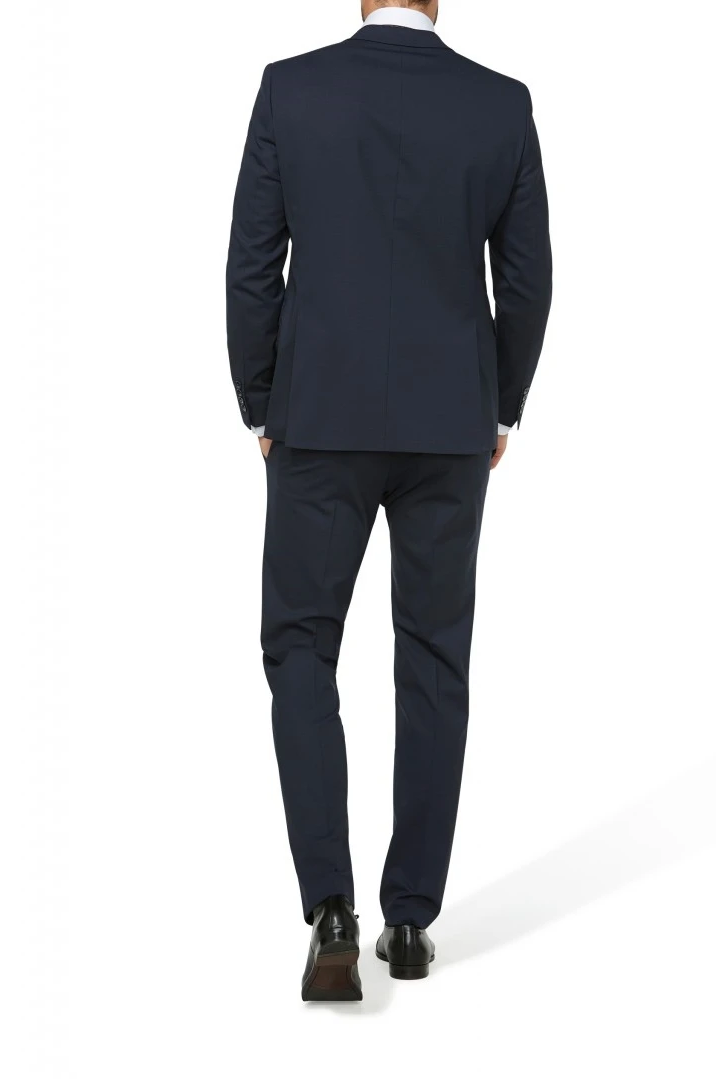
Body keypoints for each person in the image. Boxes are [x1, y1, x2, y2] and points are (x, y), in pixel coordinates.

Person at [226, 0, 552, 1002]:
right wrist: (499, 404)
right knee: (435, 658)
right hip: (448, 423)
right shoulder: (500, 104)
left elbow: (253, 265)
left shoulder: (293, 89)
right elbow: (526, 279)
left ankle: (330, 907)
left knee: (300, 646)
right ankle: (410, 919)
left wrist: (261, 401)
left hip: (318, 418)